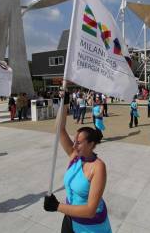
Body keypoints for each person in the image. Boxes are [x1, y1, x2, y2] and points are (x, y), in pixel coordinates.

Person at [44, 97, 112, 233]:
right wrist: (65, 102)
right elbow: (59, 128)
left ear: (91, 144)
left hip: (90, 227)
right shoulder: (75, 156)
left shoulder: (98, 167)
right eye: (74, 141)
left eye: (79, 142)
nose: (74, 145)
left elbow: (90, 210)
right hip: (70, 219)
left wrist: (57, 206)